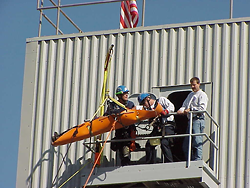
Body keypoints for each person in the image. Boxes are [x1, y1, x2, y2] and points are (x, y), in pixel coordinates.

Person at [104, 85, 139, 166]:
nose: (127, 95)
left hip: (129, 130)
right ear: (119, 95)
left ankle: (126, 162)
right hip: (119, 130)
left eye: (127, 93)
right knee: (118, 146)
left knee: (126, 149)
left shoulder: (130, 104)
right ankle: (123, 162)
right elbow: (106, 116)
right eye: (124, 93)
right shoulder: (113, 105)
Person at [137, 93, 175, 164]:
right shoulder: (148, 109)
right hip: (158, 128)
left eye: (144, 102)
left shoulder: (161, 100)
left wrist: (166, 111)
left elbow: (171, 106)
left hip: (167, 126)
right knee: (149, 144)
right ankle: (149, 163)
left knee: (164, 143)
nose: (144, 105)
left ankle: (169, 163)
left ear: (148, 99)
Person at [177, 77, 208, 161]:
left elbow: (202, 108)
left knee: (197, 141)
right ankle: (189, 160)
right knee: (186, 144)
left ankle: (197, 160)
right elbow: (184, 106)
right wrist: (180, 110)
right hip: (190, 121)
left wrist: (191, 109)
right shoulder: (190, 95)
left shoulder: (202, 95)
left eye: (194, 85)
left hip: (198, 119)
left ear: (199, 84)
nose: (193, 87)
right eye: (191, 85)